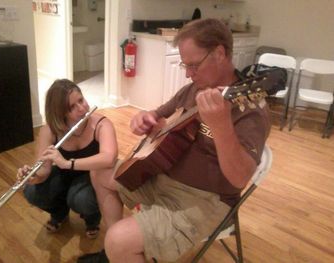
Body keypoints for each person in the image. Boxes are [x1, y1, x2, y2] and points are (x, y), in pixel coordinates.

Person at [78, 18, 271, 262]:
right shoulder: (194, 88)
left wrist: (221, 126)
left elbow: (241, 177)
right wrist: (144, 118)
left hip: (204, 200)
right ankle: (114, 255)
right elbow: (157, 115)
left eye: (194, 65)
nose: (189, 75)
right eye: (184, 65)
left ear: (220, 53)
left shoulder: (251, 108)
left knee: (119, 239)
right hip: (161, 177)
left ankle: (119, 250)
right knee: (101, 174)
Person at [18, 79, 118, 239]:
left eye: (81, 100)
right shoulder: (50, 130)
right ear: (60, 112)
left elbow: (109, 158)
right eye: (72, 107)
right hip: (65, 175)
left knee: (80, 199)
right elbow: (44, 170)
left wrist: (67, 163)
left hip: (92, 176)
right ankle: (59, 211)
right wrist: (32, 176)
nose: (82, 108)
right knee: (31, 192)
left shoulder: (101, 124)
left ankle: (92, 218)